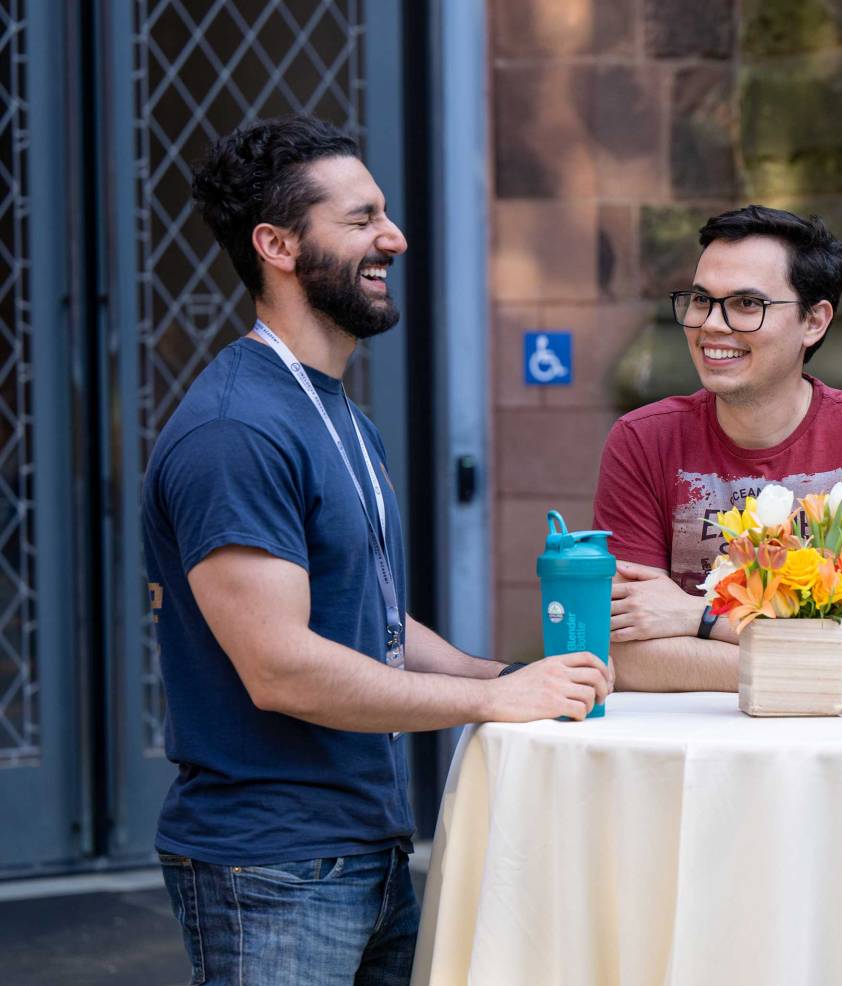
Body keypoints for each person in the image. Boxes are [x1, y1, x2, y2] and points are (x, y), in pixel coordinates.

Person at [142, 115, 611, 985]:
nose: (392, 237)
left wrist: (503, 678)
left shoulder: (335, 413)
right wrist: (492, 704)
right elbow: (281, 668)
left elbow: (369, 617)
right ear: (276, 245)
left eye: (384, 214)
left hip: (366, 849)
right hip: (272, 868)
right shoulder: (236, 430)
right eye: (359, 220)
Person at [594, 205, 842, 692]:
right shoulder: (642, 439)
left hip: (837, 743)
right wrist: (820, 666)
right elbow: (624, 653)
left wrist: (699, 617)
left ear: (814, 322)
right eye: (700, 299)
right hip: (690, 741)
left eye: (747, 305)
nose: (711, 324)